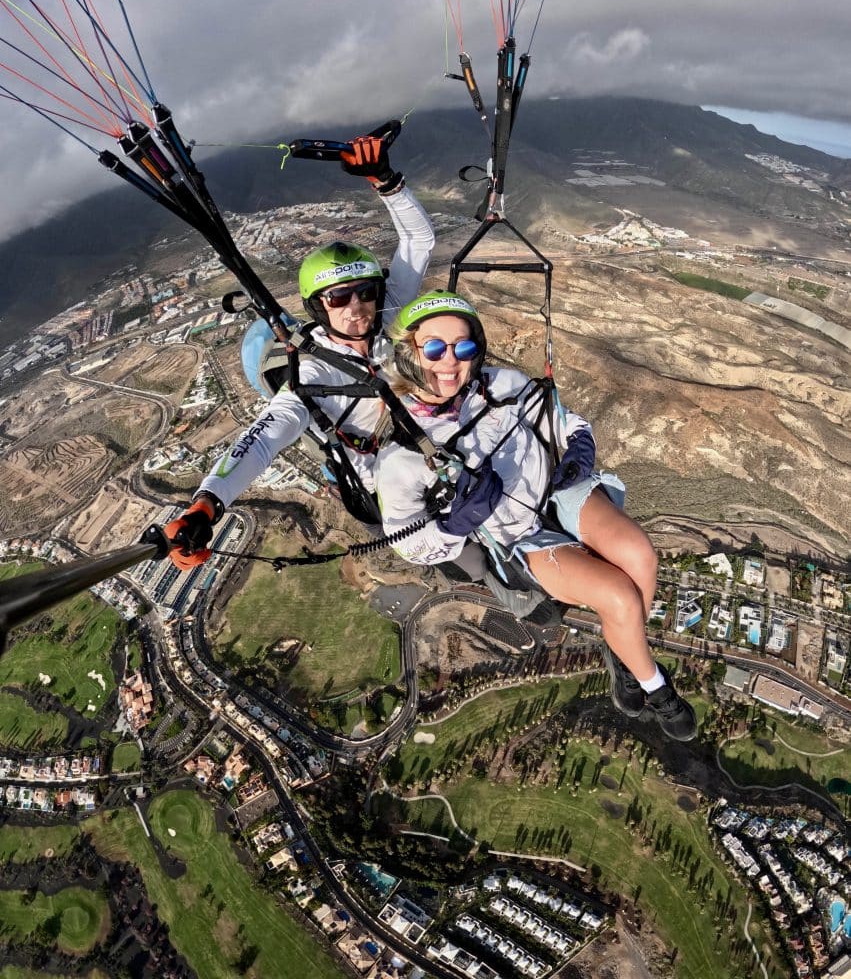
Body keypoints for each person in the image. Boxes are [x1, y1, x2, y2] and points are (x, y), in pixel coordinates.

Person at [373, 291, 698, 742]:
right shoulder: (401, 456)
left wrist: (580, 447)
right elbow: (410, 543)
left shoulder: (497, 385)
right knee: (620, 598)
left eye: (463, 347)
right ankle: (654, 685)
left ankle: (624, 655)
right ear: (410, 352)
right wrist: (455, 525)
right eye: (434, 348)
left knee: (639, 554)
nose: (450, 361)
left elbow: (560, 417)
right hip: (522, 537)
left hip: (557, 492)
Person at [160, 134, 435, 571]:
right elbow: (264, 437)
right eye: (338, 298)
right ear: (316, 307)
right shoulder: (310, 374)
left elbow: (418, 242)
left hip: (432, 448)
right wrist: (208, 503)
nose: (357, 307)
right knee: (468, 563)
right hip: (384, 484)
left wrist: (386, 181)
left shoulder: (385, 317)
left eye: (366, 292)